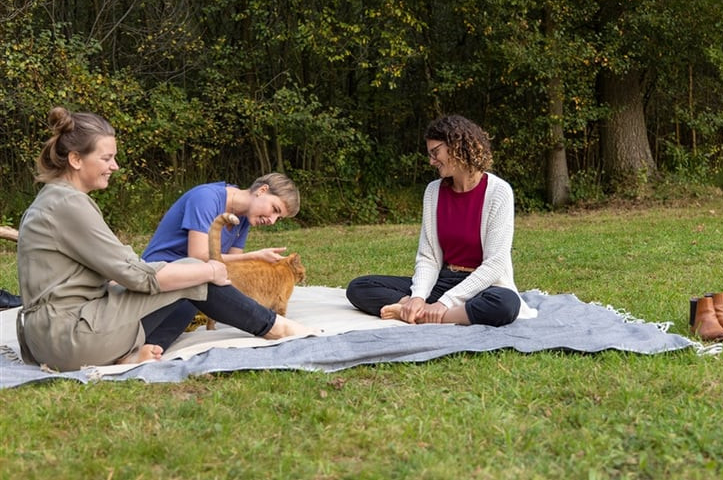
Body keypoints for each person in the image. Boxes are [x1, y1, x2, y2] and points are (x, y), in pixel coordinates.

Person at [16, 106, 316, 371]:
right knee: (194, 275)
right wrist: (209, 271)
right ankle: (276, 328)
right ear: (75, 159)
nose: (115, 166)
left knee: (188, 294)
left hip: (51, 334)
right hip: (68, 337)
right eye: (107, 157)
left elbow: (99, 272)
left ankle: (132, 354)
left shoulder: (58, 199)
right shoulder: (68, 204)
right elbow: (136, 273)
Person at [346, 114, 536, 326]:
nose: (431, 161)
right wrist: (418, 296)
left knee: (505, 304)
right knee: (360, 287)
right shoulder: (433, 191)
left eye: (435, 152)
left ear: (457, 147)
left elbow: (494, 266)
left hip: (483, 285)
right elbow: (428, 257)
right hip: (443, 280)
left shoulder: (499, 192)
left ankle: (427, 315)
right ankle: (420, 309)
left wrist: (445, 303)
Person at [140, 173, 300, 347]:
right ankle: (275, 326)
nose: (272, 220)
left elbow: (231, 269)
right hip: (161, 276)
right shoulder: (206, 198)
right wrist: (253, 256)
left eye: (279, 218)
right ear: (262, 190)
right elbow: (198, 257)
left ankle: (272, 325)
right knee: (193, 301)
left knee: (216, 295)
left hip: (195, 283)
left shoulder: (243, 219)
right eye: (275, 209)